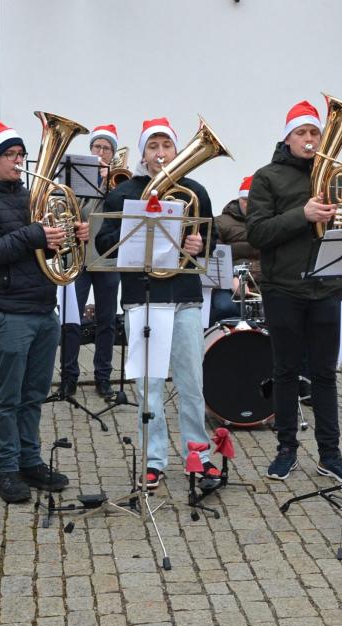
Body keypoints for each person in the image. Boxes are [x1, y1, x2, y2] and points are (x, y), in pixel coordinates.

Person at [246, 99, 342, 482]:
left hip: (327, 286)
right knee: (285, 371)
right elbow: (256, 233)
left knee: (325, 373)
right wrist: (301, 216)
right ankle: (286, 449)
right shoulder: (267, 177)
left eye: (314, 132)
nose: (309, 139)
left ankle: (330, 453)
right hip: (283, 287)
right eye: (301, 133)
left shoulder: (338, 176)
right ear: (287, 138)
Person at [0, 119, 88, 503]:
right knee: (8, 396)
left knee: (34, 393)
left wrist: (68, 239)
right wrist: (34, 236)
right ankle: (6, 470)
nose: (19, 161)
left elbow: (44, 249)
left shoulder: (31, 196)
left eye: (21, 154)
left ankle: (30, 460)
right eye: (11, 155)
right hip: (7, 309)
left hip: (43, 304)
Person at [95, 117, 220, 489]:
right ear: (143, 152)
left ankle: (199, 453)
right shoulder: (124, 193)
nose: (160, 154)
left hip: (184, 298)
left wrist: (200, 247)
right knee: (148, 386)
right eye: (153, 147)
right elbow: (104, 244)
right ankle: (154, 459)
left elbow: (207, 243)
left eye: (166, 146)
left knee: (192, 382)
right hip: (142, 298)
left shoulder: (194, 190)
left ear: (176, 150)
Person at [55, 124, 121, 400]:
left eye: (107, 148)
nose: (101, 152)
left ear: (113, 153)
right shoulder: (74, 176)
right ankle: (68, 377)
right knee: (72, 320)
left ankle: (103, 377)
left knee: (106, 320)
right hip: (78, 258)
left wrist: (109, 184)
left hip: (107, 259)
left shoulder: (118, 182)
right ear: (90, 150)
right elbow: (62, 206)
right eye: (97, 147)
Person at [211, 175, 257, 323]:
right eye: (245, 201)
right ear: (239, 200)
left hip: (261, 281)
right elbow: (215, 258)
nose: (248, 205)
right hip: (229, 283)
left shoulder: (271, 222)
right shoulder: (220, 223)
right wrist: (232, 278)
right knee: (225, 308)